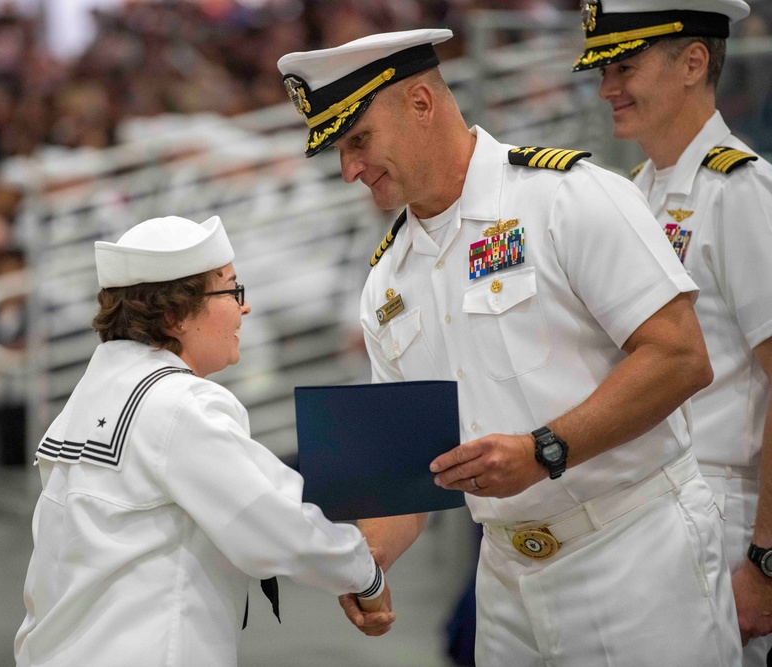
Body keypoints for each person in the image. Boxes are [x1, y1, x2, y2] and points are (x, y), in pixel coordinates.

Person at [277, 28, 740, 664]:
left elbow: (682, 356)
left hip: (635, 551)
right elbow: (416, 472)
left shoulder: (566, 196)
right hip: (506, 579)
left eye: (358, 140)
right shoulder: (388, 280)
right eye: (338, 150)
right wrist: (366, 561)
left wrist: (544, 450)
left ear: (421, 103)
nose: (348, 168)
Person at [14, 215, 388, 666]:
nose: (244, 308)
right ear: (173, 314)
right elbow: (273, 522)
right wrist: (365, 577)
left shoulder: (90, 394)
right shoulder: (179, 402)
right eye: (232, 290)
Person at [573, 0, 772, 661]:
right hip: (644, 508)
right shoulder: (635, 191)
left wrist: (766, 559)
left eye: (623, 66)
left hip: (723, 506)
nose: (606, 88)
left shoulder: (739, 190)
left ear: (693, 62)